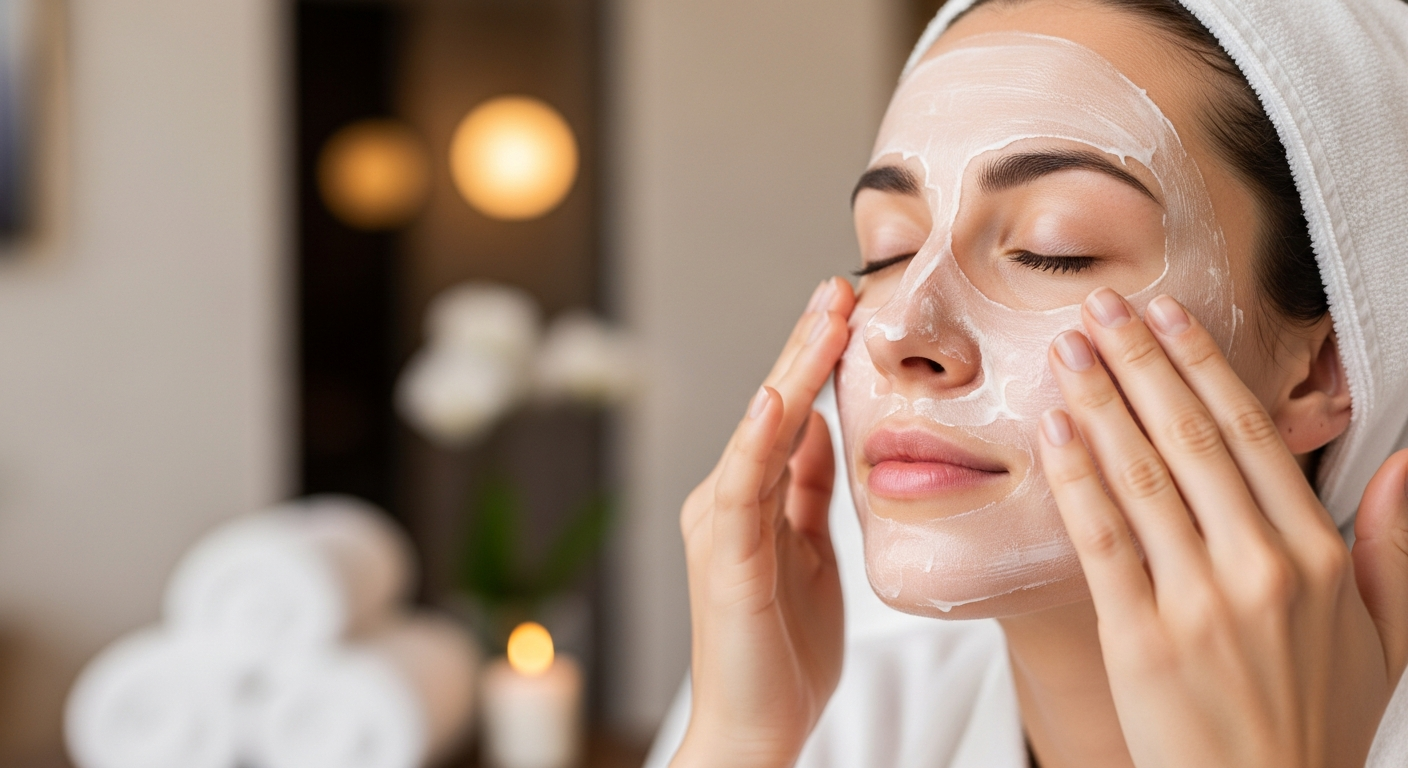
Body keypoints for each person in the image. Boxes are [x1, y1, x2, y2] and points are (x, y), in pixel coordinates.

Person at [654, 0, 1408, 766]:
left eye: (1057, 249)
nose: (899, 332)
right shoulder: (844, 716)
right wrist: (738, 741)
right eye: (886, 253)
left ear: (1321, 369)